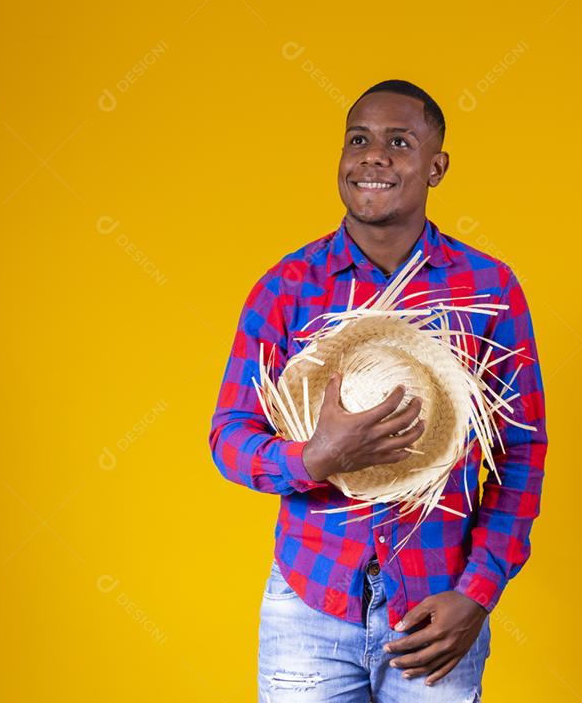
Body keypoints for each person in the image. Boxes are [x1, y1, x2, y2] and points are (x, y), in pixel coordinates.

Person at [208, 79, 547, 701]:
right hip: (309, 601)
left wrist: (478, 593)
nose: (374, 156)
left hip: (436, 606)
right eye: (358, 139)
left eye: (399, 141)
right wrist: (315, 458)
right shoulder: (287, 288)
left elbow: (520, 452)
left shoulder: (490, 287)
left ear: (436, 166)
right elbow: (229, 436)